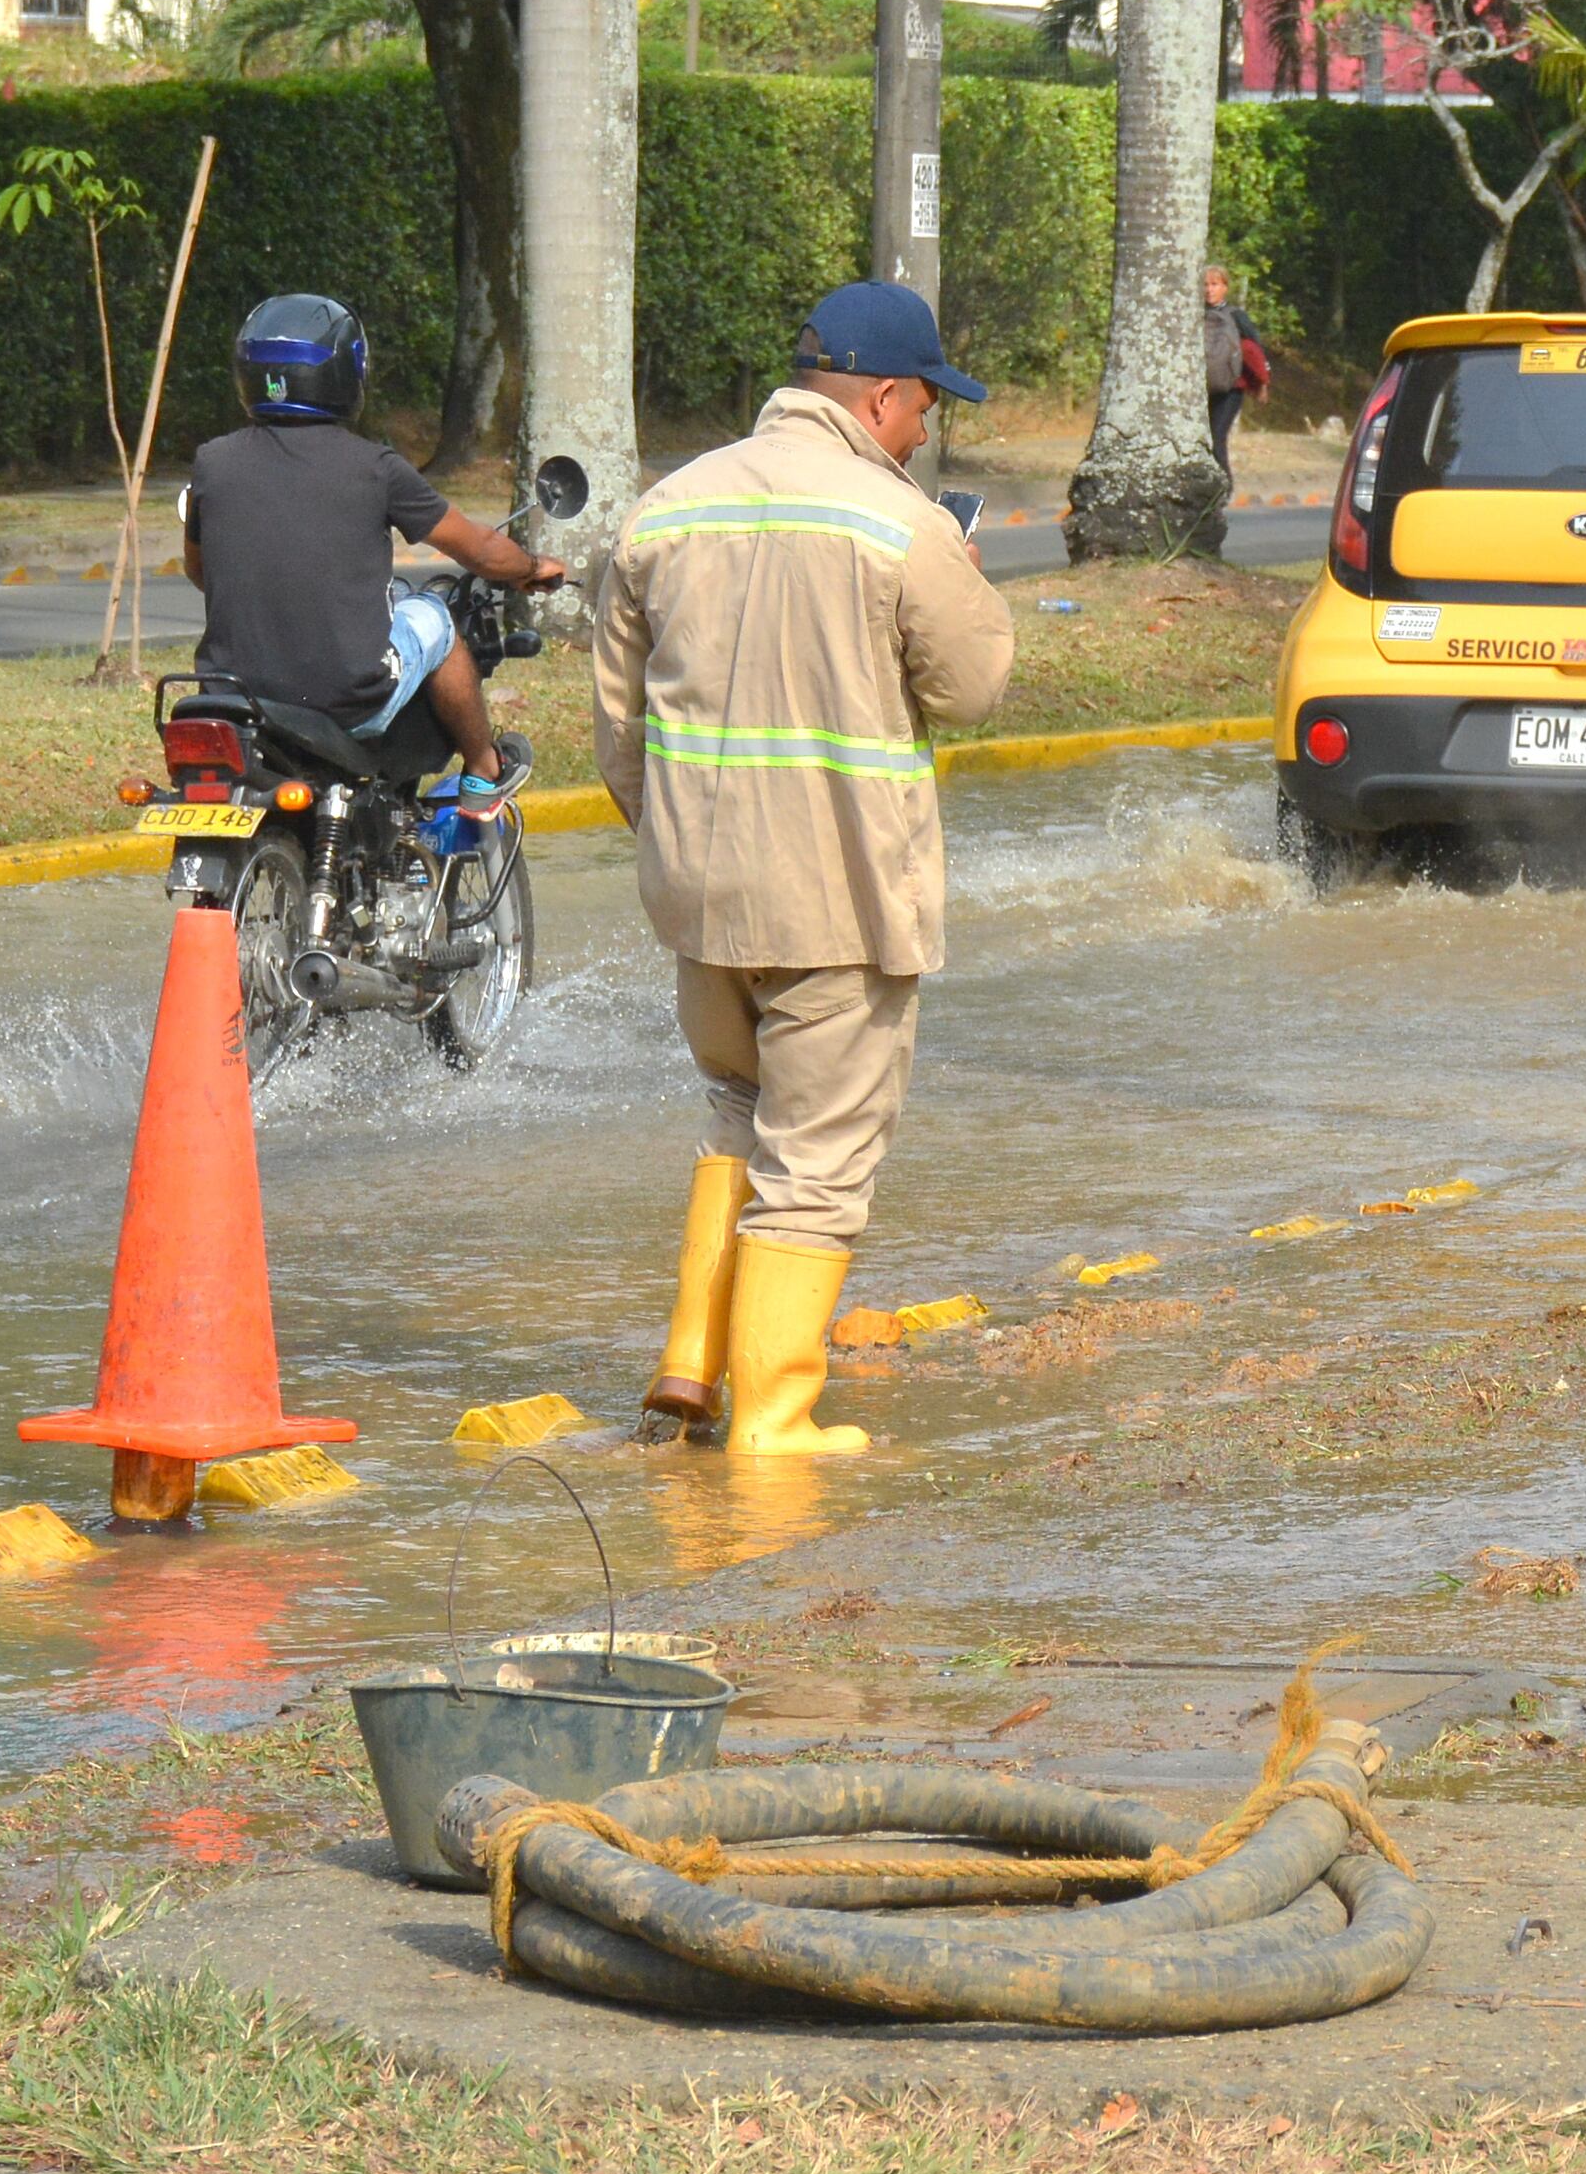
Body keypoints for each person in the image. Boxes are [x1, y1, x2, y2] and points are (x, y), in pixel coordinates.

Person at [596, 279, 1017, 1455]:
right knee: (817, 1165)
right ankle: (774, 1422)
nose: (925, 431)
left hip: (700, 901)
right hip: (839, 900)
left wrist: (681, 847)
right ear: (880, 398)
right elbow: (972, 689)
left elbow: (620, 736)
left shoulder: (663, 511)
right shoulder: (899, 524)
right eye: (924, 406)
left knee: (737, 1109)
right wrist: (959, 570)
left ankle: (691, 1368)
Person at [179, 293, 562, 794]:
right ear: (347, 372)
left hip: (232, 698)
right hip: (348, 700)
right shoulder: (375, 468)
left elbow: (200, 570)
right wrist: (530, 567)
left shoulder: (213, 462)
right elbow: (483, 552)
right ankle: (484, 766)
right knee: (436, 620)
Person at [1200, 264, 1265, 481]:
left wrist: (1261, 384)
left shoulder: (1237, 316)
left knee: (1217, 437)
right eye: (1205, 285)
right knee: (1205, 439)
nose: (1209, 290)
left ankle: (1224, 485)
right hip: (1202, 389)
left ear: (1225, 287)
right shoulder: (1194, 314)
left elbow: (1254, 351)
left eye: (1214, 284)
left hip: (1232, 389)